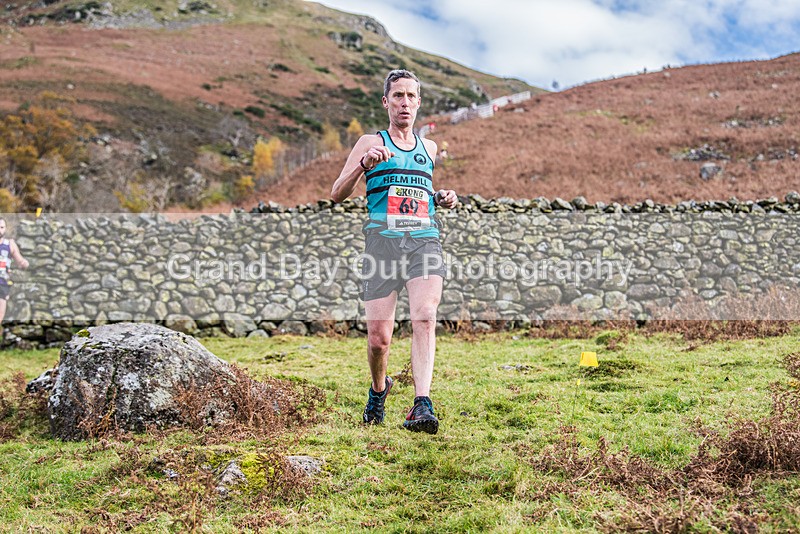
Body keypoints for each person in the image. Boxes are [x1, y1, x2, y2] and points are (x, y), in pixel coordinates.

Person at [331, 69, 458, 435]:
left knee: (425, 314)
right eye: (397, 96)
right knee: (379, 340)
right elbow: (337, 193)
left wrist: (442, 198)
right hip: (381, 245)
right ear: (386, 102)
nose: (405, 103)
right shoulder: (370, 141)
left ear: (419, 103)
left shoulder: (429, 149)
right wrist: (363, 165)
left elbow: (419, 195)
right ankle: (378, 389)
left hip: (423, 241)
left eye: (411, 96)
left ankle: (422, 403)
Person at [0, 217, 30, 328]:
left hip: (2, 283)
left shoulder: (9, 244)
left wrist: (24, 263)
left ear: (5, 229)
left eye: (2, 227)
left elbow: (19, 260)